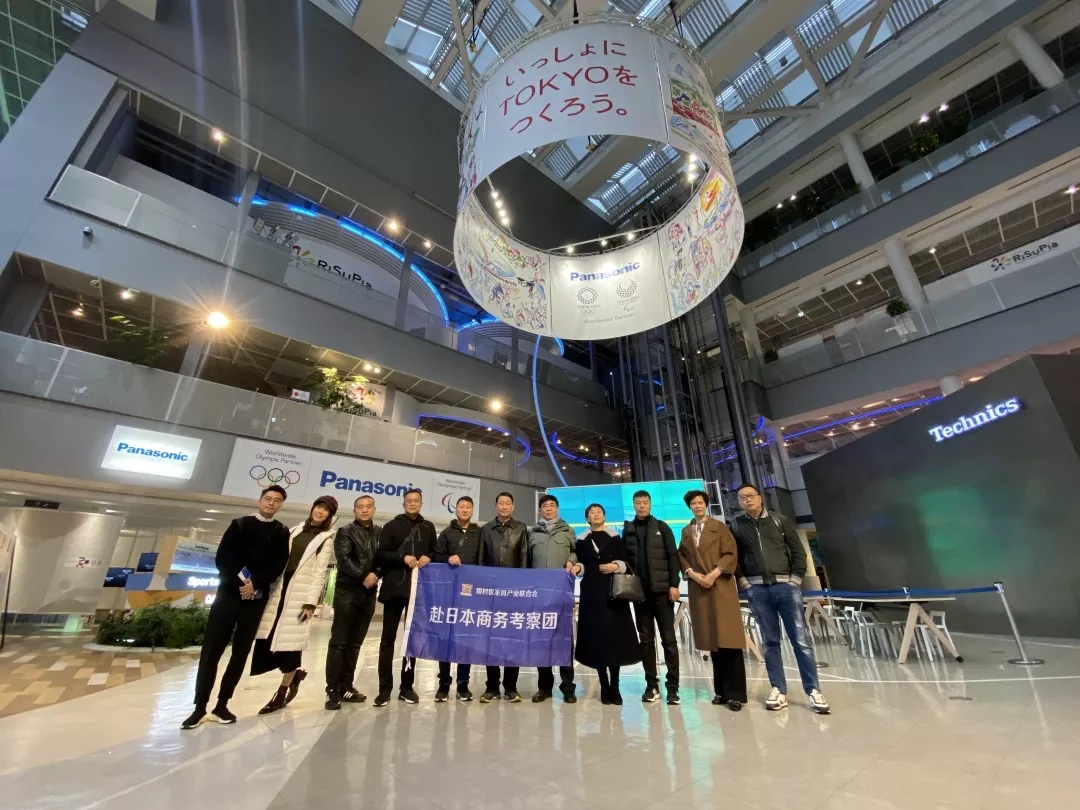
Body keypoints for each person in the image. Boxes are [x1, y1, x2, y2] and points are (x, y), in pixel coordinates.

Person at [182, 485, 291, 729]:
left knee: (241, 652)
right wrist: (243, 583)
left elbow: (277, 566)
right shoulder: (239, 524)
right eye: (268, 498)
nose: (271, 503)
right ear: (260, 500)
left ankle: (223, 704)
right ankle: (199, 706)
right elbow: (224, 559)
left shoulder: (282, 532)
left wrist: (255, 584)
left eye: (276, 500)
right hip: (228, 595)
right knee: (212, 650)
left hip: (255, 599)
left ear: (281, 505)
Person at [730, 484, 830, 715]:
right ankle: (778, 689)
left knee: (800, 640)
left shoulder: (779, 521)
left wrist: (795, 579)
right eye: (742, 498)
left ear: (760, 498)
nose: (747, 500)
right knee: (770, 641)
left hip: (786, 587)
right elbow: (734, 557)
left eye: (751, 496)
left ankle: (813, 690)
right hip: (757, 589)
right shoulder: (736, 525)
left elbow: (798, 552)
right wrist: (743, 581)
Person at [251, 496, 338, 714]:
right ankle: (295, 676)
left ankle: (282, 691)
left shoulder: (326, 538)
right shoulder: (294, 531)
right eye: (318, 506)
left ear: (330, 515)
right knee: (268, 640)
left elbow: (319, 572)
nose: (320, 511)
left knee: (292, 646)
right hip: (278, 591)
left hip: (300, 598)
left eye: (326, 510)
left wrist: (310, 603)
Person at [679, 490, 747, 712]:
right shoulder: (686, 531)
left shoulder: (719, 527)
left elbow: (730, 554)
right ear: (689, 507)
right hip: (699, 588)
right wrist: (692, 573)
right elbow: (682, 557)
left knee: (729, 639)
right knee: (713, 640)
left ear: (706, 505)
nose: (697, 506)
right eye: (693, 503)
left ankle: (736, 693)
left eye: (700, 502)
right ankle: (721, 690)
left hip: (720, 585)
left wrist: (714, 574)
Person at [374, 488, 437, 707]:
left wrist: (429, 556)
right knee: (387, 640)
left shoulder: (428, 527)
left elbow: (435, 551)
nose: (412, 503)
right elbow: (382, 554)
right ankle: (384, 688)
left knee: (411, 640)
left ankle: (406, 687)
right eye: (409, 500)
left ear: (421, 504)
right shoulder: (391, 526)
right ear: (403, 504)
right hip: (394, 590)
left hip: (417, 592)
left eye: (416, 501)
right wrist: (402, 557)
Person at [573, 503, 641, 705]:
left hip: (613, 594)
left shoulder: (615, 538)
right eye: (591, 512)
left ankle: (615, 686)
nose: (596, 514)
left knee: (615, 640)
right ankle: (604, 685)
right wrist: (578, 569)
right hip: (592, 594)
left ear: (604, 516)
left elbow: (627, 562)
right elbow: (582, 563)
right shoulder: (581, 540)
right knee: (598, 640)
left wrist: (615, 566)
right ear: (587, 518)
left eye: (599, 512)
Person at [622, 489, 682, 705]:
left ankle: (673, 688)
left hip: (662, 594)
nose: (641, 506)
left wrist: (674, 584)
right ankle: (651, 685)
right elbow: (625, 560)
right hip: (640, 595)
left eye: (645, 502)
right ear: (633, 505)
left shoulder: (662, 527)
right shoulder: (628, 529)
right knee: (646, 641)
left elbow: (673, 556)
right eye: (638, 503)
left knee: (669, 640)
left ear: (650, 504)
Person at [324, 495, 382, 710]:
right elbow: (344, 559)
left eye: (368, 507)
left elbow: (384, 558)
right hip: (346, 593)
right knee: (339, 642)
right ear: (354, 510)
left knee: (355, 643)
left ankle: (346, 686)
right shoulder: (345, 531)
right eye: (360, 507)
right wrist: (363, 576)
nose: (364, 510)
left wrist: (376, 574)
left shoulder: (380, 533)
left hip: (368, 595)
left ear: (374, 509)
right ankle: (332, 689)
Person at [431, 495, 483, 702]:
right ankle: (444, 683)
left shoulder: (480, 533)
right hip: (449, 593)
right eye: (461, 506)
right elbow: (435, 556)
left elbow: (485, 558)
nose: (464, 510)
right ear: (456, 509)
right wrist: (447, 558)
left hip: (471, 593)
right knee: (445, 638)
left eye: (468, 507)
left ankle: (463, 684)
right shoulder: (446, 532)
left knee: (465, 639)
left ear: (472, 510)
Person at [478, 491, 529, 703]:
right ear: (496, 505)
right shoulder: (486, 529)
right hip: (491, 594)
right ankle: (492, 687)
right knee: (491, 641)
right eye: (501, 503)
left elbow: (524, 559)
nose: (504, 506)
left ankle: (510, 687)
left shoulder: (521, 528)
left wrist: (521, 589)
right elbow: (481, 560)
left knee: (512, 641)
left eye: (508, 503)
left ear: (513, 506)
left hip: (513, 594)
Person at [529, 494, 578, 704]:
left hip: (561, 594)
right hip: (539, 595)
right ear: (540, 510)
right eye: (545, 506)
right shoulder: (532, 533)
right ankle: (544, 687)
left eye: (552, 505)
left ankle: (568, 688)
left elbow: (576, 552)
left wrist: (572, 560)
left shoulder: (568, 530)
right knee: (541, 642)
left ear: (557, 509)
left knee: (565, 641)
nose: (548, 509)